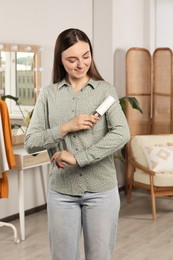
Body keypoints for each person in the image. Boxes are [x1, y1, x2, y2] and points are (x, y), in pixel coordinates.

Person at [24, 28, 130, 260]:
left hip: (102, 191)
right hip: (61, 192)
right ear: (60, 60)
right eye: (72, 59)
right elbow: (31, 142)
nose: (81, 64)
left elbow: (122, 133)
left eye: (86, 56)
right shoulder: (48, 95)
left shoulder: (105, 90)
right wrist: (65, 127)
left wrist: (78, 158)